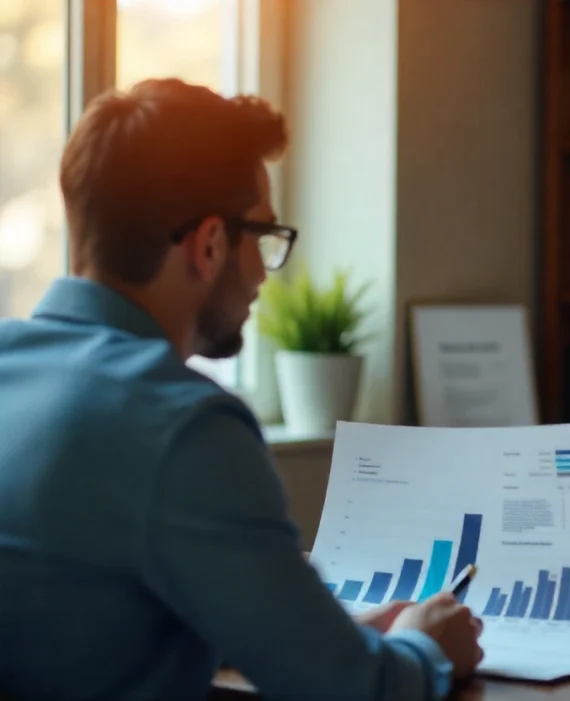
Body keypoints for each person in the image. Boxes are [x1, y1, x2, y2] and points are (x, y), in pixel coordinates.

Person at [0, 78, 482, 701]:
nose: (262, 273)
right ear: (208, 244)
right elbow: (354, 691)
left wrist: (310, 634)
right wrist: (426, 646)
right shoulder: (183, 427)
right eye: (266, 237)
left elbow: (83, 615)